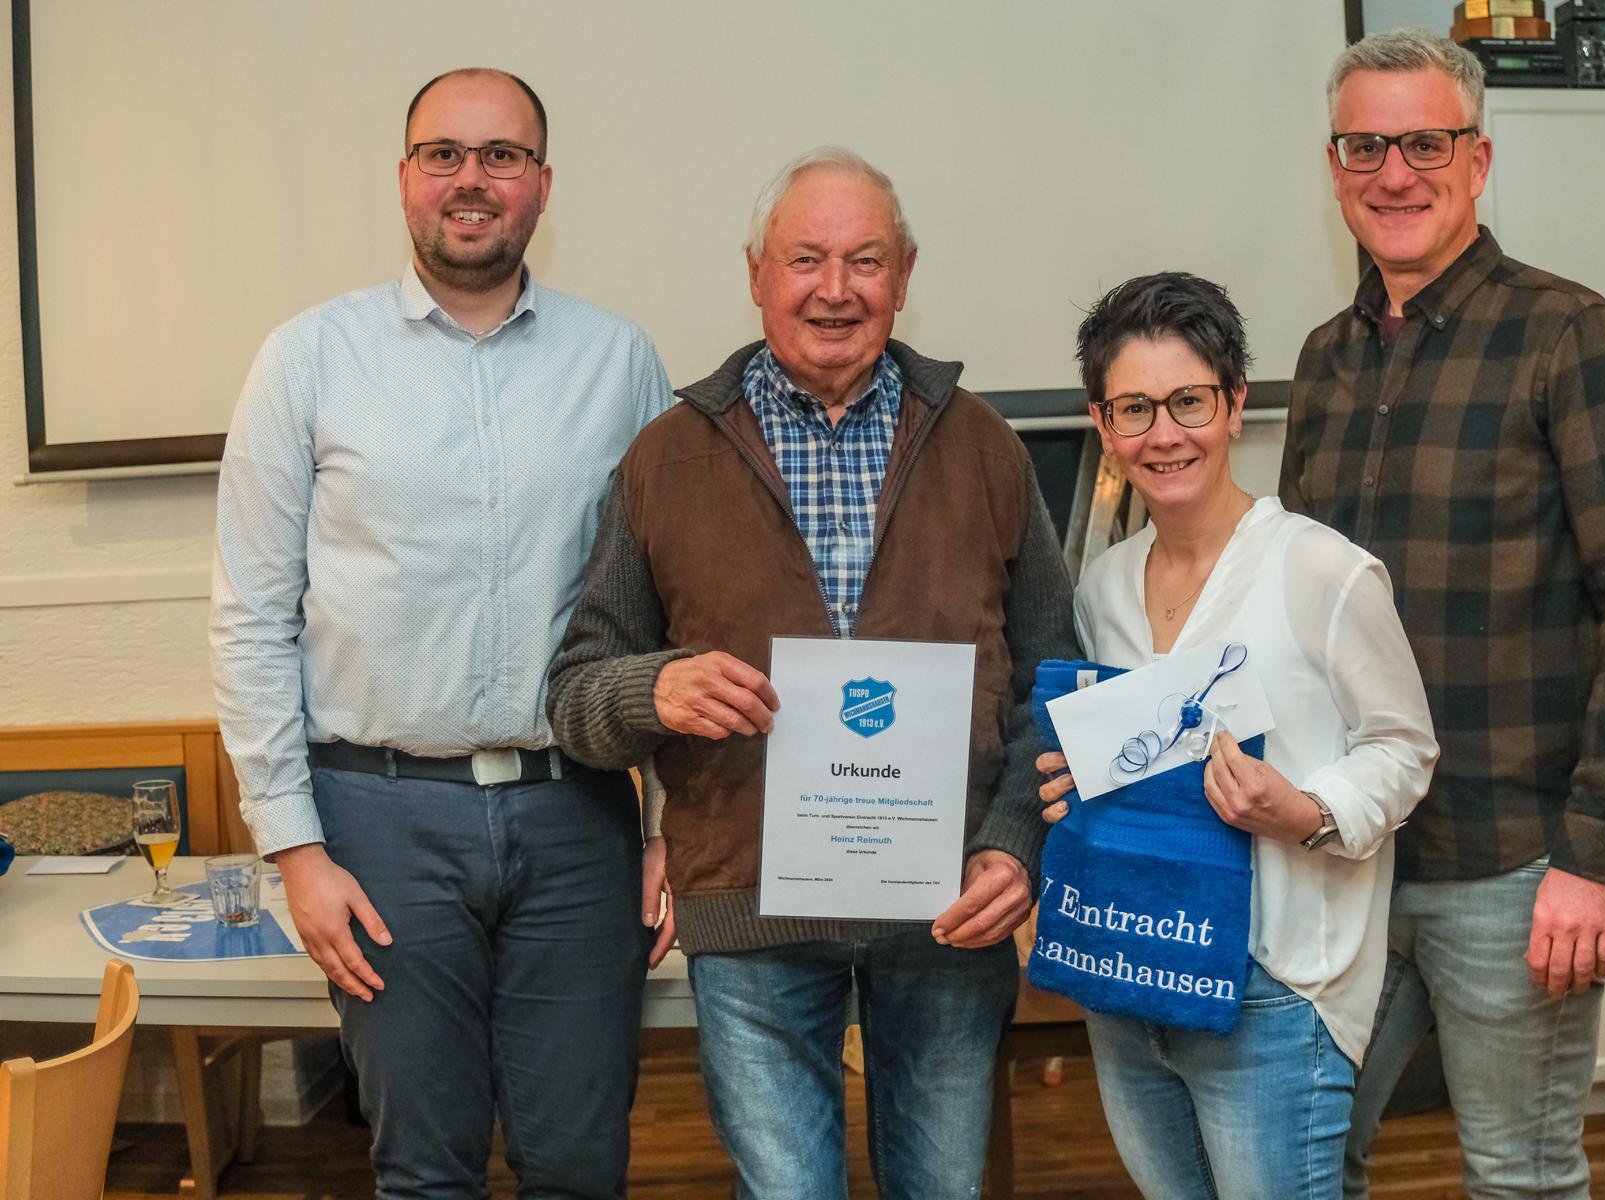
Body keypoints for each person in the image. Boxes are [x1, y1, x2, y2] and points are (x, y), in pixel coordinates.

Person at [544, 145, 1078, 1199]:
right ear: (756, 274)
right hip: (751, 914)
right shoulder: (664, 460)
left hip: (946, 908)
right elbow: (575, 694)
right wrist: (654, 691)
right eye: (805, 259)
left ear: (905, 276)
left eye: (865, 260)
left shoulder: (986, 450)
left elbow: (1055, 678)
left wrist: (1015, 842)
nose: (836, 289)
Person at [209, 68, 672, 1198]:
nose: (472, 179)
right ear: (406, 178)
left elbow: (669, 613)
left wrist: (671, 826)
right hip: (378, 825)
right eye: (444, 155)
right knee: (424, 1172)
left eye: (502, 155)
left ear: (542, 184)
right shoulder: (307, 358)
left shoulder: (619, 362)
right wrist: (297, 852)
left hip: (579, 821)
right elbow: (252, 616)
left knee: (581, 1166)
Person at [1282, 30, 1605, 1198]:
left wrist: (1595, 859)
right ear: (1334, 168)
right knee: (1305, 1164)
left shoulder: (1574, 339)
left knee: (1518, 1177)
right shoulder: (1324, 362)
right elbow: (1297, 611)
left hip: (1514, 867)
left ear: (1477, 160)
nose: (1394, 174)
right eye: (1365, 147)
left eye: (1425, 144)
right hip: (1351, 855)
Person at [1035, 271, 1437, 1198]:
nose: (1164, 434)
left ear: (1235, 404)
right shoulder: (1101, 587)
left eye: (1189, 401)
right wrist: (1071, 781)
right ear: (1103, 425)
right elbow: (1112, 762)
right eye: (1134, 409)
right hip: (1130, 966)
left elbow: (1404, 748)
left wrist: (1307, 810)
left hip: (1274, 991)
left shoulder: (1322, 570)